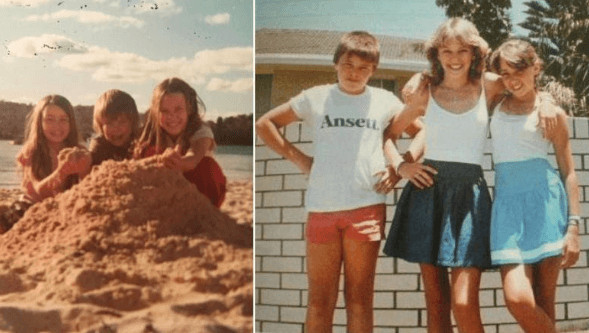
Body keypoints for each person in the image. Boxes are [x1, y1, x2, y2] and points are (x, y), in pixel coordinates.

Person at [256, 30, 424, 333]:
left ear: (373, 70)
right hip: (322, 208)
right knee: (320, 301)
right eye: (348, 64)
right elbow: (264, 123)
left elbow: (422, 131)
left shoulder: (384, 100)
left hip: (367, 208)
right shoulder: (316, 97)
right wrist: (300, 159)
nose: (354, 73)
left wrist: (401, 166)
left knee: (359, 300)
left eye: (364, 68)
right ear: (336, 63)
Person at [383, 18, 513, 333]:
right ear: (436, 54)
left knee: (465, 302)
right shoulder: (425, 90)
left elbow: (526, 88)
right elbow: (388, 135)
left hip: (471, 198)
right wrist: (402, 167)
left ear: (474, 53)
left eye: (462, 50)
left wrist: (547, 100)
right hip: (428, 195)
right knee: (437, 304)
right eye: (446, 51)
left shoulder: (490, 84)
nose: (454, 58)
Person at [488, 39, 580, 333]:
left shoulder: (553, 113)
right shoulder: (495, 100)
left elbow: (568, 170)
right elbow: (464, 63)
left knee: (545, 301)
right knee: (517, 298)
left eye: (519, 70)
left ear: (536, 68)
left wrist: (574, 228)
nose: (512, 80)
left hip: (545, 205)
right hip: (507, 210)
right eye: (505, 73)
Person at [0, 95, 91, 232]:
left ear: (71, 123)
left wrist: (84, 170)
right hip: (31, 205)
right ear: (39, 123)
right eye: (50, 119)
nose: (57, 126)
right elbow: (39, 191)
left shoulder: (79, 151)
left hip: (63, 207)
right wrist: (62, 172)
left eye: (63, 119)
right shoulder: (32, 151)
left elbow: (86, 189)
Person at [134, 77, 227, 208]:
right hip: (164, 194)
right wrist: (159, 159)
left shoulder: (201, 131)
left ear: (189, 109)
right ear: (156, 113)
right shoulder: (151, 133)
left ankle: (205, 213)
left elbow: (193, 157)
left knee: (208, 167)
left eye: (178, 109)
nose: (172, 116)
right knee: (148, 151)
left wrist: (178, 162)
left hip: (197, 189)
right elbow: (136, 163)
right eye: (164, 111)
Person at [89, 89, 140, 166]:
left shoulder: (140, 142)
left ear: (132, 123)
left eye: (122, 122)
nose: (116, 128)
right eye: (109, 123)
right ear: (100, 125)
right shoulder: (99, 148)